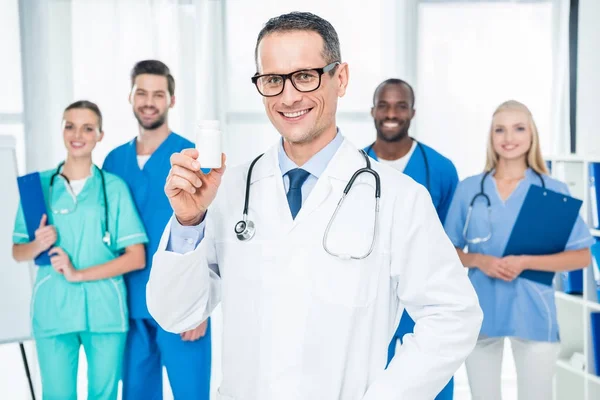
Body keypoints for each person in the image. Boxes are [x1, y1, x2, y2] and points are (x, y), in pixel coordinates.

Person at [147, 12, 482, 400]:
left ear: (339, 79)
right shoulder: (227, 190)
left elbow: (453, 316)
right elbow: (175, 314)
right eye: (273, 80)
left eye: (305, 76)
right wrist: (188, 222)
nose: (288, 97)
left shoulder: (398, 198)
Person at [443, 100, 594, 400]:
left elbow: (582, 256)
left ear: (531, 135)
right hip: (482, 310)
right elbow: (446, 250)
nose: (509, 138)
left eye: (518, 128)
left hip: (535, 313)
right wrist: (479, 260)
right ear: (491, 137)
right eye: (500, 129)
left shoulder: (553, 190)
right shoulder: (470, 189)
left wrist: (526, 261)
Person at [12, 100, 148, 400]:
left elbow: (136, 257)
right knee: (57, 395)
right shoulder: (40, 186)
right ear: (62, 130)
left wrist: (78, 274)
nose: (78, 134)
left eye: (88, 128)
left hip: (105, 309)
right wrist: (38, 244)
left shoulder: (113, 188)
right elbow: (18, 251)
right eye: (70, 126)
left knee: (104, 395)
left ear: (100, 135)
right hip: (53, 308)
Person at [102, 60, 211, 399]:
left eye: (158, 94)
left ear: (172, 100)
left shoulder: (193, 156)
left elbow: (212, 231)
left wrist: (201, 307)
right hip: (130, 307)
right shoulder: (113, 162)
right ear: (131, 97)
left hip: (183, 303)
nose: (149, 101)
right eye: (142, 93)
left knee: (190, 393)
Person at [364, 78, 459, 400]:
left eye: (400, 105)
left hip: (422, 301)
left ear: (412, 112)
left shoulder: (442, 170)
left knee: (429, 380)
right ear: (373, 111)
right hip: (365, 299)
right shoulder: (350, 166)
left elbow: (449, 244)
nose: (391, 113)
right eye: (384, 105)